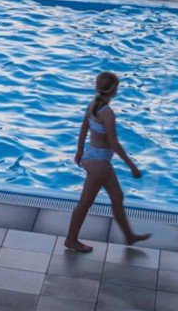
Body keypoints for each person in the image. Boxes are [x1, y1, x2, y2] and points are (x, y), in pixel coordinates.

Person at [63, 71, 149, 253]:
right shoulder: (107, 113)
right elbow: (114, 143)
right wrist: (132, 165)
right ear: (114, 90)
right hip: (99, 164)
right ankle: (71, 240)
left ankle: (129, 236)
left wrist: (80, 150)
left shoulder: (93, 105)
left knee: (117, 197)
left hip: (92, 156)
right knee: (85, 203)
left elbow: (84, 127)